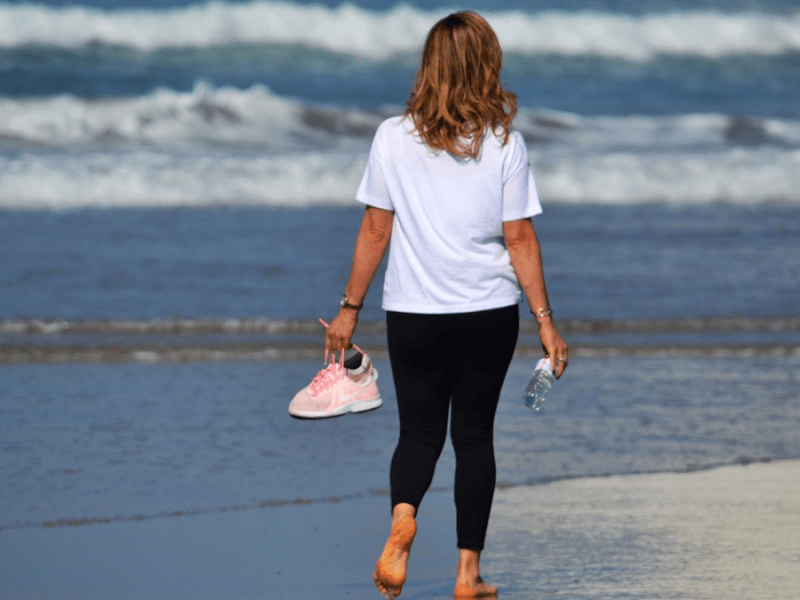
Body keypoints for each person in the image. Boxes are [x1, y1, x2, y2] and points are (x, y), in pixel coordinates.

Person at [324, 11, 569, 599]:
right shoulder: (505, 142)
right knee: (475, 440)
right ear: (487, 64)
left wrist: (348, 309)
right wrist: (545, 322)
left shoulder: (391, 136)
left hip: (414, 312)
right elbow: (520, 239)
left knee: (418, 435)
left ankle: (404, 515)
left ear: (429, 66)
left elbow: (376, 231)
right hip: (488, 312)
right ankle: (467, 576)